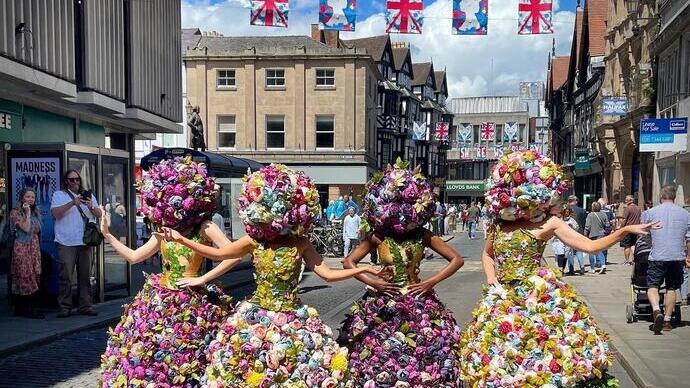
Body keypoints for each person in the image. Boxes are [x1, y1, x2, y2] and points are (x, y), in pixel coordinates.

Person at [161, 164, 386, 387]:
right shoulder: (254, 241)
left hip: (293, 316)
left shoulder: (300, 243)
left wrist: (362, 269)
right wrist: (182, 240)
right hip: (255, 315)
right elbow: (220, 253)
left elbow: (327, 274)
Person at [459, 150, 657, 387]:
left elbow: (590, 246)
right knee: (499, 359)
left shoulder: (549, 222)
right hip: (501, 298)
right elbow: (487, 254)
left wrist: (623, 231)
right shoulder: (500, 224)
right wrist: (492, 280)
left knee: (543, 350)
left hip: (537, 295)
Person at [99, 157, 239, 386]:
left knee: (198, 353)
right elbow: (134, 257)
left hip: (196, 301)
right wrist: (108, 235)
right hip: (162, 298)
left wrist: (203, 278)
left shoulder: (205, 227)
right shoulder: (163, 231)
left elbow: (233, 255)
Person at [339, 159, 464, 386]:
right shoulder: (378, 235)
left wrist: (430, 282)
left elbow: (457, 259)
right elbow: (349, 262)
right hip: (382, 301)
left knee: (427, 349)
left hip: (419, 299)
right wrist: (373, 282)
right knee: (373, 351)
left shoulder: (423, 235)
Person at [50, 169, 102, 318]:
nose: (75, 182)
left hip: (85, 240)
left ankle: (85, 305)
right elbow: (56, 214)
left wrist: (91, 205)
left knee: (85, 275)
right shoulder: (59, 195)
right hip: (66, 241)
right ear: (66, 181)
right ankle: (65, 306)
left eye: (77, 179)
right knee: (65, 275)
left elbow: (99, 214)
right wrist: (73, 203)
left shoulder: (88, 195)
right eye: (71, 180)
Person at [641, 185, 690, 333]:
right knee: (672, 288)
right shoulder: (685, 214)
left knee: (653, 286)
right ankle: (667, 321)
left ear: (661, 196)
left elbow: (644, 235)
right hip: (677, 256)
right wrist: (688, 256)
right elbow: (689, 239)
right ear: (674, 197)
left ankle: (656, 310)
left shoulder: (649, 212)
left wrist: (650, 243)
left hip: (658, 255)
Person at [9, 188, 44, 319]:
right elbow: (26, 228)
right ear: (22, 198)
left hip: (33, 247)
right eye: (28, 196)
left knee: (35, 274)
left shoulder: (37, 212)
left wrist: (31, 213)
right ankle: (24, 309)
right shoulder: (15, 213)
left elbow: (38, 228)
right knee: (24, 275)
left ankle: (30, 307)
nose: (30, 199)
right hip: (22, 247)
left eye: (32, 197)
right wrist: (27, 213)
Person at [584, 201, 611, 274]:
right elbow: (607, 225)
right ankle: (603, 265)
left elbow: (587, 226)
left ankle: (592, 268)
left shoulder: (590, 215)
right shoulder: (604, 214)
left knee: (591, 251)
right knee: (599, 250)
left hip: (592, 235)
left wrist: (585, 235)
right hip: (602, 235)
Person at [619, 195, 642, 265]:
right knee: (634, 245)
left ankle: (627, 261)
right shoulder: (638, 208)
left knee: (627, 245)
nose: (625, 201)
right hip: (635, 229)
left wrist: (620, 227)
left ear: (631, 200)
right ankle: (634, 259)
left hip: (628, 229)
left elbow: (624, 220)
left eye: (626, 200)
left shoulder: (627, 208)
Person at [564, 208, 585, 275]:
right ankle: (580, 267)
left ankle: (572, 269)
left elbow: (576, 227)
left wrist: (571, 227)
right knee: (575, 252)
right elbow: (577, 227)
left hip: (569, 238)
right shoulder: (571, 219)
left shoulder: (567, 220)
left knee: (570, 253)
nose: (566, 213)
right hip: (574, 237)